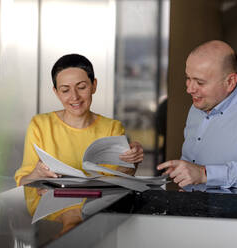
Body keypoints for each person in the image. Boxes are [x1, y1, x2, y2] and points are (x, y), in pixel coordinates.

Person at [157, 40, 237, 189]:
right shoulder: (197, 108)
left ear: (230, 82)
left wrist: (206, 174)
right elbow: (191, 166)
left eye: (200, 82)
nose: (190, 89)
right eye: (188, 78)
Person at [15, 54, 143, 186]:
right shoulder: (40, 125)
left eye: (81, 87)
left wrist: (132, 161)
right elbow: (23, 181)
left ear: (94, 85)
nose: (74, 97)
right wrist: (36, 175)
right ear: (56, 92)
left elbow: (119, 181)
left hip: (98, 204)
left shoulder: (112, 127)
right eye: (65, 90)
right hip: (53, 204)